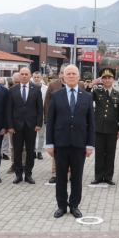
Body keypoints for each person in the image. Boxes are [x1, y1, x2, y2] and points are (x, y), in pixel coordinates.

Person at [46, 65, 95, 219]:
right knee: (60, 176)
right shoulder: (56, 95)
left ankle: (74, 205)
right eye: (69, 74)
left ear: (78, 76)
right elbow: (50, 120)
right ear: (64, 77)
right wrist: (50, 144)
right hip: (60, 143)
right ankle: (61, 205)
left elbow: (91, 122)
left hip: (79, 143)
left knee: (77, 176)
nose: (72, 76)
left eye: (74, 74)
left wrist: (90, 145)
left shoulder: (87, 96)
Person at [44, 64, 85, 183]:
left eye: (73, 73)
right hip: (59, 126)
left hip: (75, 128)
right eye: (64, 73)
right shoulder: (53, 85)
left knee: (73, 153)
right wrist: (48, 120)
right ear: (61, 74)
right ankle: (55, 173)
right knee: (57, 152)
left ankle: (72, 173)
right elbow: (47, 103)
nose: (68, 76)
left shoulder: (80, 85)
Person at [6, 67, 43, 184]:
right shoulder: (13, 90)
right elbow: (9, 110)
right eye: (22, 74)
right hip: (17, 126)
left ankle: (28, 174)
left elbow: (39, 108)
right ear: (19, 76)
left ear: (30, 76)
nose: (24, 76)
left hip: (31, 126)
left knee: (30, 151)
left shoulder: (36, 89)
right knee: (17, 151)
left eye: (26, 74)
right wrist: (10, 126)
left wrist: (38, 123)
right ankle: (18, 174)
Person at [91, 68, 119, 185]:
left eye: (109, 78)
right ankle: (98, 176)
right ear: (102, 79)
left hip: (112, 129)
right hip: (99, 128)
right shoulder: (96, 92)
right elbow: (85, 96)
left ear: (113, 79)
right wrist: (91, 85)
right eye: (104, 78)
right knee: (99, 153)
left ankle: (109, 176)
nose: (107, 80)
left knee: (110, 153)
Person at [32, 71, 48, 160]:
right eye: (35, 77)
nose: (36, 79)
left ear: (41, 78)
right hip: (32, 116)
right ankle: (33, 151)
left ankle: (39, 151)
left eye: (38, 77)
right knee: (32, 134)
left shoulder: (46, 88)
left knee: (41, 135)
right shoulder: (30, 87)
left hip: (42, 116)